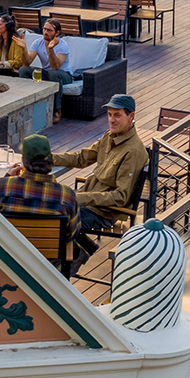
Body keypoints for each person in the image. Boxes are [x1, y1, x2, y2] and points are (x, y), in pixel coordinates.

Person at [51, 94, 149, 269]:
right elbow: (82, 158)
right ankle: (80, 250)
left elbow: (120, 197)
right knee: (49, 207)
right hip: (85, 202)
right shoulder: (109, 137)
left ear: (131, 116)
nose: (111, 119)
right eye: (110, 114)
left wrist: (79, 198)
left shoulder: (133, 151)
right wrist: (49, 158)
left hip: (103, 212)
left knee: (56, 219)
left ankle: (63, 267)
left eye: (117, 115)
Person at [0, 134, 85, 276]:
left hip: (11, 266)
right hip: (48, 272)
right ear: (51, 160)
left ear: (23, 160)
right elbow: (72, 233)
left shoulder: (3, 186)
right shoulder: (66, 195)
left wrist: (7, 177)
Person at [15, 19, 73, 124]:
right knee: (24, 70)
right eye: (45, 29)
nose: (46, 32)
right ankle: (26, 104)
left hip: (64, 75)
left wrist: (50, 50)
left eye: (49, 30)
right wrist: (23, 49)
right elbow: (27, 63)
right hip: (48, 73)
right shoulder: (38, 43)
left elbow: (56, 67)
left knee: (54, 74)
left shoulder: (62, 45)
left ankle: (56, 110)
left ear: (57, 33)